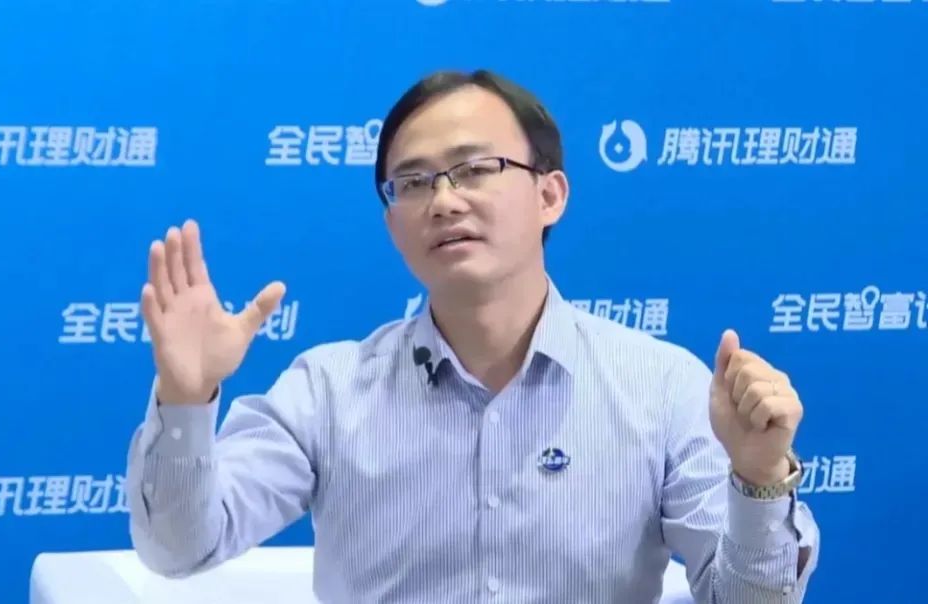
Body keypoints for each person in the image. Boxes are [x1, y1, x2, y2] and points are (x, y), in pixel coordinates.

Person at [124, 69, 820, 603]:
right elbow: (180, 548)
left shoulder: (660, 386)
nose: (444, 200)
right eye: (413, 182)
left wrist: (759, 481)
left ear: (550, 195)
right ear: (392, 223)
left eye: (476, 169)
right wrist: (186, 397)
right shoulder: (328, 390)